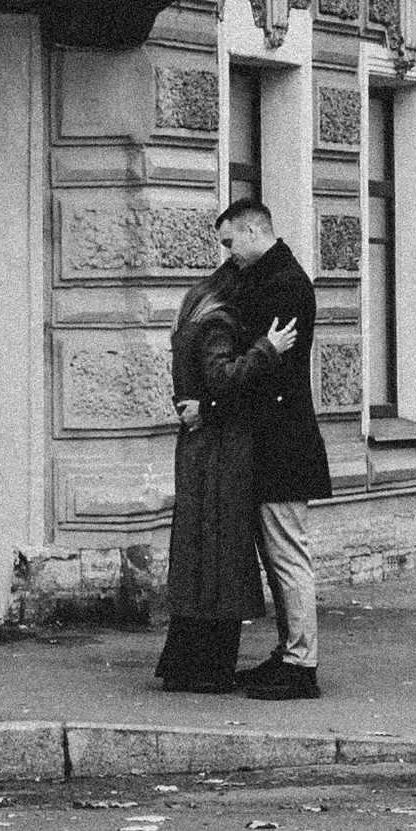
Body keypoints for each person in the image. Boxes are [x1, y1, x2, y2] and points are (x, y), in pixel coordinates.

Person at [212, 191, 333, 701]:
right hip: (276, 438)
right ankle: (288, 654)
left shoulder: (280, 285)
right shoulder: (274, 278)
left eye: (230, 241)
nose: (228, 253)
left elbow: (265, 371)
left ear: (254, 231)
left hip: (281, 440)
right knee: (278, 554)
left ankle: (300, 662)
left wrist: (216, 402)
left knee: (287, 555)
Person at [154, 256, 285, 695]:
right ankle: (209, 668)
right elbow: (223, 377)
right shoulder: (220, 323)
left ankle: (183, 665)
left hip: (198, 449)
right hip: (220, 449)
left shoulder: (192, 313)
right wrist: (268, 348)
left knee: (197, 552)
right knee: (222, 552)